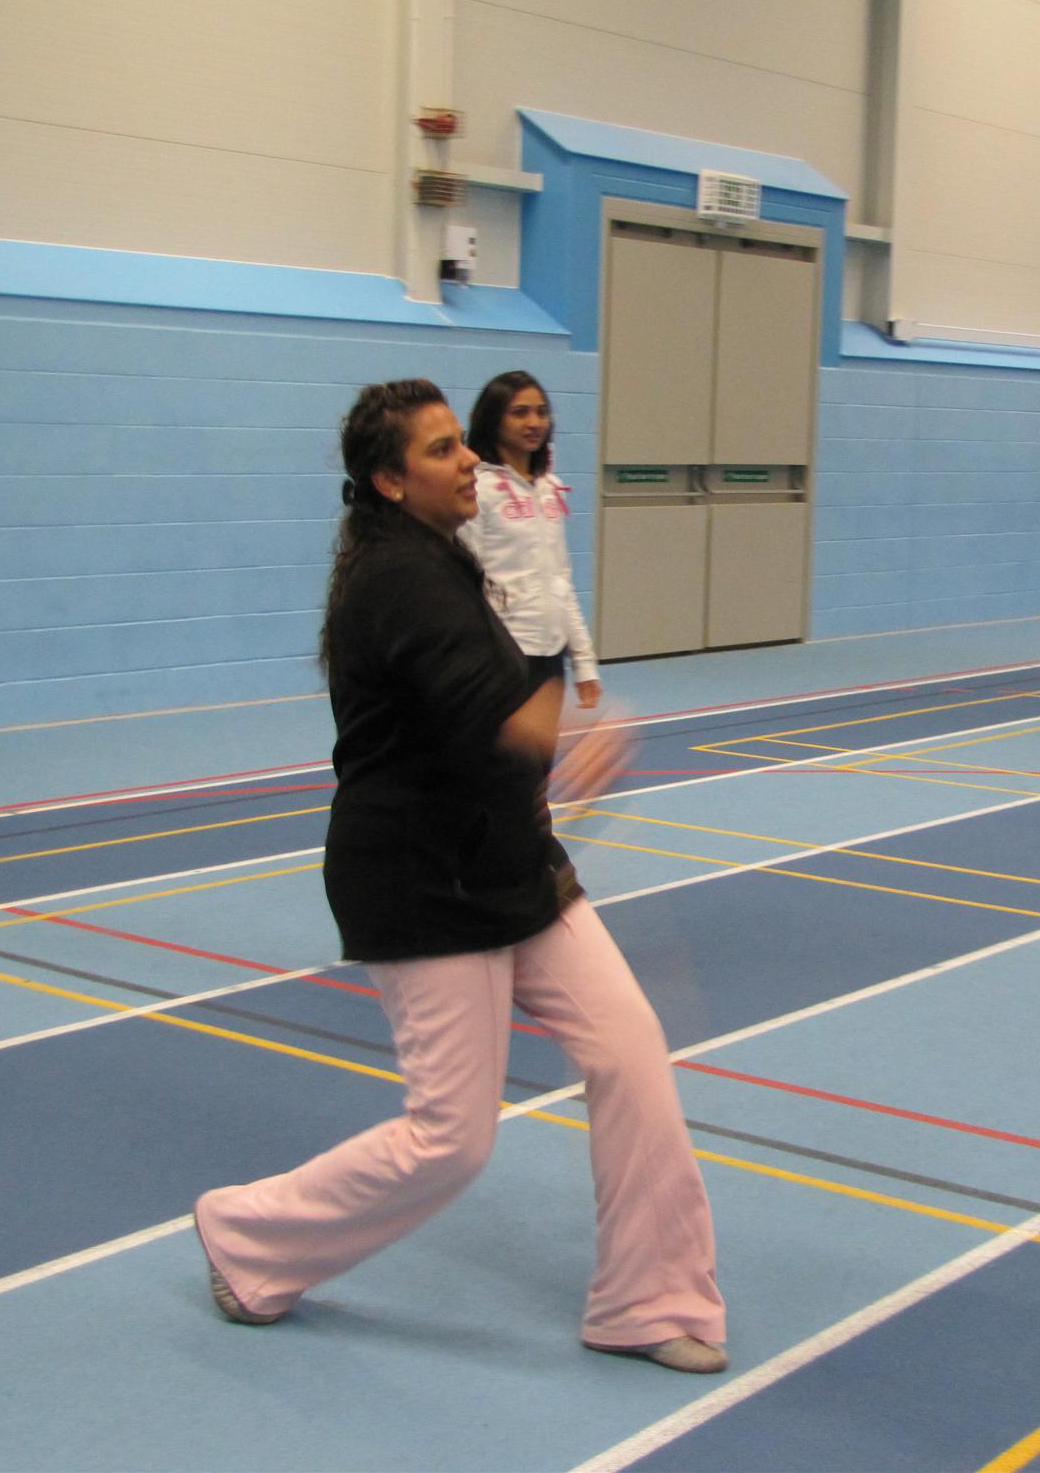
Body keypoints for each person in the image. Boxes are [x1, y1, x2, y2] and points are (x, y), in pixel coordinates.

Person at [194, 380, 727, 1373]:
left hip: (508, 858)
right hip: (418, 879)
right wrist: (580, 730)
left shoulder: (449, 553)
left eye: (461, 445)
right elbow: (501, 717)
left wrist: (557, 737)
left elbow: (501, 717)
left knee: (630, 1053)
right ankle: (248, 1238)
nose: (469, 462)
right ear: (390, 481)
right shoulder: (395, 579)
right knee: (452, 1137)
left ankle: (649, 1302)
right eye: (442, 451)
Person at [461, 371, 602, 709]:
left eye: (541, 412)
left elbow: (560, 580)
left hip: (549, 657)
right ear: (493, 420)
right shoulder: (478, 489)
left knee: (538, 762)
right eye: (520, 412)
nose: (534, 421)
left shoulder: (549, 487)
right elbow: (466, 582)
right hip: (500, 657)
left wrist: (584, 661)